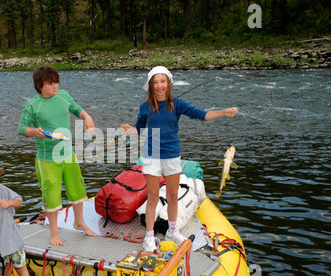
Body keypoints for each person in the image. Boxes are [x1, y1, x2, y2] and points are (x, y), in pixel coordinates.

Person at [120, 66, 237, 252]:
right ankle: (149, 237)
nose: (159, 86)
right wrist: (128, 130)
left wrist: (224, 112)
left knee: (173, 197)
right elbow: (138, 129)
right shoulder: (145, 107)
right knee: (152, 198)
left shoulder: (178, 104)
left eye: (163, 81)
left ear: (169, 83)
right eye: (155, 82)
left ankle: (172, 231)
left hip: (172, 156)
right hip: (151, 156)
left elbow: (202, 115)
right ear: (151, 86)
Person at [18, 66, 97, 246]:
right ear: (40, 85)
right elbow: (22, 128)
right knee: (51, 195)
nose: (55, 86)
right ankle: (54, 232)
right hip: (47, 158)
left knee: (77, 189)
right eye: (50, 83)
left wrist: (87, 117)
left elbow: (77, 109)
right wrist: (34, 132)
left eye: (56, 82)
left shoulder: (63, 96)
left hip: (68, 154)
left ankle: (79, 222)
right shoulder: (32, 105)